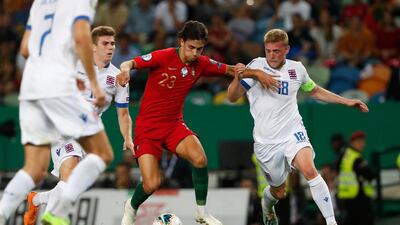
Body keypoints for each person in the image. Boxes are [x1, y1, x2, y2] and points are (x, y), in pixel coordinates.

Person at [117, 20, 278, 225]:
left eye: (199, 49)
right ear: (181, 41)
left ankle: (201, 212)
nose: (195, 53)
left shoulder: (201, 63)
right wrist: (124, 70)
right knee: (151, 184)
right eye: (191, 47)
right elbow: (130, 63)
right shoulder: (164, 56)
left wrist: (256, 73)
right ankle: (131, 206)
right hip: (147, 129)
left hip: (174, 124)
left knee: (200, 158)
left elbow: (230, 70)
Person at [226, 28, 369, 225]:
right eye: (268, 50)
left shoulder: (297, 69)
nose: (272, 55)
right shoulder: (256, 67)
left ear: (287, 49)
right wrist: (238, 77)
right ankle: (267, 206)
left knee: (310, 170)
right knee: (279, 191)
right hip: (266, 142)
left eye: (276, 51)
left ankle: (331, 221)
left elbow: (315, 91)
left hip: (293, 132)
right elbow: (232, 97)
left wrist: (346, 101)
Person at [0, 1, 118, 225]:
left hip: (31, 87)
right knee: (103, 154)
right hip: (58, 87)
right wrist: (93, 82)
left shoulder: (39, 3)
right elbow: (82, 38)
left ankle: (2, 213)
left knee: (34, 169)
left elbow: (25, 48)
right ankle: (58, 212)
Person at [22, 26, 133, 225]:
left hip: (90, 133)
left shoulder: (118, 78)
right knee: (70, 171)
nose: (110, 48)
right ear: (92, 47)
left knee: (73, 183)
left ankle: (36, 199)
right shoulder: (72, 65)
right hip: (62, 128)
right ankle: (55, 217)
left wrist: (128, 137)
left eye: (113, 43)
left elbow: (123, 113)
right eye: (105, 43)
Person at [337, 131, 376, 225]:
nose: (362, 144)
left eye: (363, 142)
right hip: (357, 198)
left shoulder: (346, 154)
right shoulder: (356, 158)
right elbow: (369, 175)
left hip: (346, 197)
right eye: (359, 142)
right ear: (352, 143)